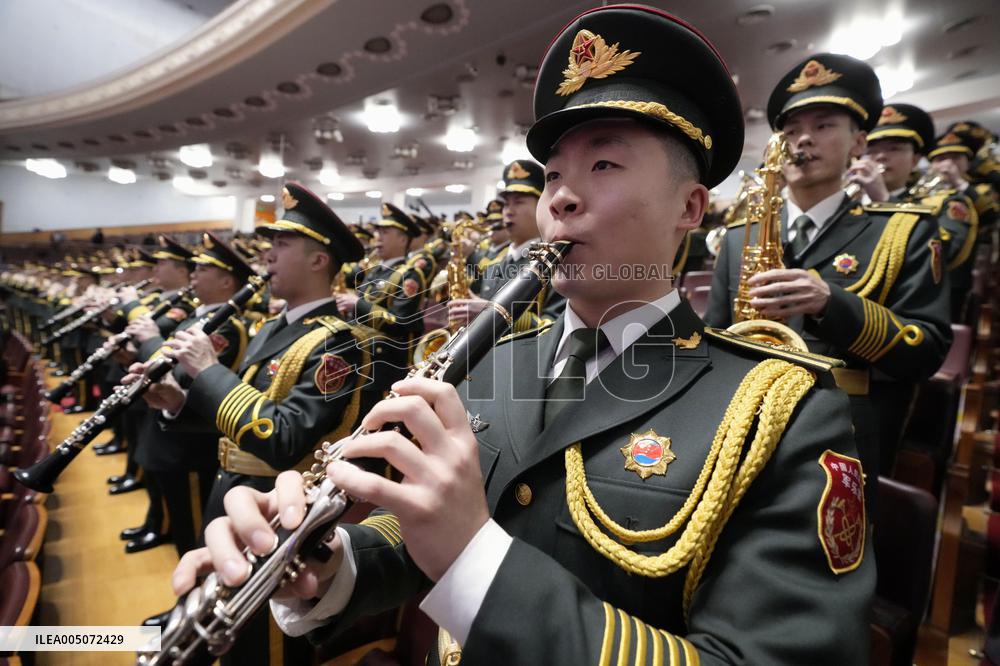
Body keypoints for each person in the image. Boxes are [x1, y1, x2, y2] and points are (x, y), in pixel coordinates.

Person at [173, 6, 874, 664]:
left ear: (690, 207)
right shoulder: (493, 361)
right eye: (553, 175)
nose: (560, 197)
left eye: (603, 164)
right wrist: (329, 559)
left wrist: (475, 558)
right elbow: (428, 528)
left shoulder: (781, 409)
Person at [148, 182, 392, 664]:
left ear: (319, 260)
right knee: (225, 632)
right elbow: (237, 423)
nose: (267, 255)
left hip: (280, 514)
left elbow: (283, 438)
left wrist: (209, 371)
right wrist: (178, 401)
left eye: (281, 244)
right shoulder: (272, 328)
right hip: (232, 495)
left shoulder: (339, 342)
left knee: (264, 649)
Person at [705, 52, 952, 479]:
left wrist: (830, 303)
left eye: (823, 126)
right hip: (744, 424)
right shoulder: (738, 236)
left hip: (845, 433)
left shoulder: (905, 231)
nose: (803, 140)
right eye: (791, 130)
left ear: (859, 143)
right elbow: (716, 338)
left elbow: (925, 352)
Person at [119, 233, 250, 556]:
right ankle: (156, 524)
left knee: (191, 529)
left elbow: (188, 379)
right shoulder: (199, 317)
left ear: (226, 281)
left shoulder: (226, 327)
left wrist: (150, 340)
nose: (194, 273)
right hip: (170, 429)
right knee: (171, 504)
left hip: (189, 443)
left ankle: (192, 579)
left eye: (203, 269)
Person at [866, 103, 979, 321]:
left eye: (894, 148)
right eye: (871, 150)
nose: (880, 156)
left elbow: (944, 254)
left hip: (910, 313)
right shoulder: (850, 201)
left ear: (915, 159)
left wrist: (885, 201)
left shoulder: (946, 202)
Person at [451, 160, 566, 332]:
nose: (508, 211)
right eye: (506, 204)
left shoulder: (557, 263)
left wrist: (493, 314)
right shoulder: (493, 262)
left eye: (518, 202)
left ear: (542, 206)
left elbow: (555, 329)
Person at [335, 202, 427, 368]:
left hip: (386, 361)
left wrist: (357, 304)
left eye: (385, 232)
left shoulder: (409, 275)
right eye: (377, 231)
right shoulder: (375, 270)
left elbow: (400, 324)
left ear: (402, 239)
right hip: (362, 352)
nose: (377, 236)